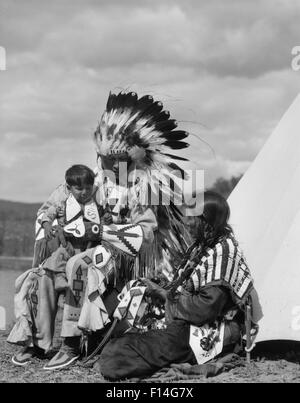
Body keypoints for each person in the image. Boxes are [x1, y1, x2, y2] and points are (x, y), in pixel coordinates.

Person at [8, 90, 190, 370]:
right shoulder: (86, 182)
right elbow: (48, 208)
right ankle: (37, 342)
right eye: (105, 160)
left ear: (131, 160)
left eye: (116, 162)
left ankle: (70, 342)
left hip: (117, 259)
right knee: (42, 274)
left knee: (79, 267)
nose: (109, 167)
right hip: (78, 250)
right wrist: (50, 225)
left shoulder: (140, 190)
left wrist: (101, 233)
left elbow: (147, 233)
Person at [97, 191, 254, 381]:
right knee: (114, 325)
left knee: (117, 355)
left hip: (203, 330)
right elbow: (184, 287)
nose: (186, 223)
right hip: (184, 321)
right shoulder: (202, 246)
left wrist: (166, 297)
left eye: (192, 218)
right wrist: (160, 289)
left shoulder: (224, 253)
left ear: (207, 220)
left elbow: (205, 309)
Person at [33, 164, 109, 293]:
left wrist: (106, 219)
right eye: (79, 189)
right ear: (69, 188)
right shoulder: (62, 204)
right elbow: (47, 214)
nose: (84, 192)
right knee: (58, 256)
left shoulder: (96, 205)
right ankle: (59, 277)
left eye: (88, 188)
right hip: (69, 244)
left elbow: (101, 221)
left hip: (90, 246)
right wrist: (47, 226)